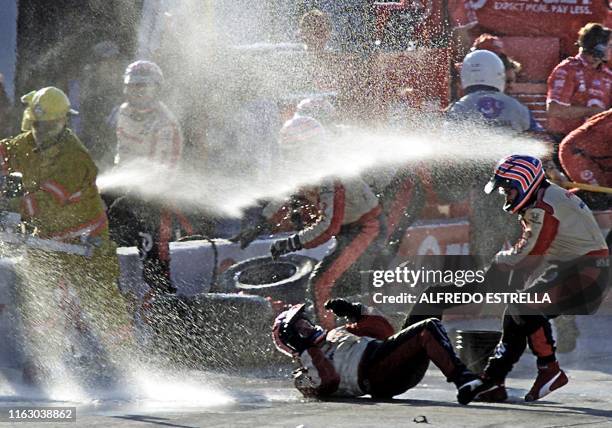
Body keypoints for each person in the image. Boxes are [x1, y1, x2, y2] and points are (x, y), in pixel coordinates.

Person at [407, 155, 610, 402]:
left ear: (524, 183)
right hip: (573, 269)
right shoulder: (544, 196)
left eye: (508, 189)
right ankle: (493, 382)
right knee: (515, 313)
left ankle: (550, 368)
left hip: (584, 273)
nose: (506, 196)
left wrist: (501, 262)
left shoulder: (542, 208)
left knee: (523, 307)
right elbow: (528, 255)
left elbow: (530, 254)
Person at [0, 87, 133, 382]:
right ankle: (43, 361)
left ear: (64, 122)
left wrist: (6, 204)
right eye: (36, 126)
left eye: (48, 126)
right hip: (45, 237)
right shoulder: (26, 144)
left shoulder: (74, 158)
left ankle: (124, 361)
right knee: (39, 297)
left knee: (101, 300)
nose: (41, 132)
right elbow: (4, 152)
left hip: (84, 241)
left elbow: (43, 203)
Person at [272, 299, 483, 404]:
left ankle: (482, 385)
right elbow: (328, 382)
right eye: (298, 329)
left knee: (431, 299)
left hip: (388, 358)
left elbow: (385, 332)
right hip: (376, 375)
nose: (306, 328)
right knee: (427, 327)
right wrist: (306, 351)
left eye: (305, 322)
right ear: (292, 341)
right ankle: (464, 380)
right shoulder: (303, 375)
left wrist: (355, 312)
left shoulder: (336, 333)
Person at [109, 60, 192, 297]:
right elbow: (122, 153)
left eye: (143, 86)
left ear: (157, 88)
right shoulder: (124, 112)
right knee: (104, 236)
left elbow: (160, 172)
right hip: (127, 192)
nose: (137, 91)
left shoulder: (165, 123)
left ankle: (165, 305)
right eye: (132, 86)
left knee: (154, 259)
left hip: (155, 199)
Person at [546, 23, 612, 142]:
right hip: (564, 140)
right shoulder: (567, 70)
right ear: (598, 48)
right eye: (610, 45)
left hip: (594, 143)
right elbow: (555, 110)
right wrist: (593, 112)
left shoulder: (607, 75)